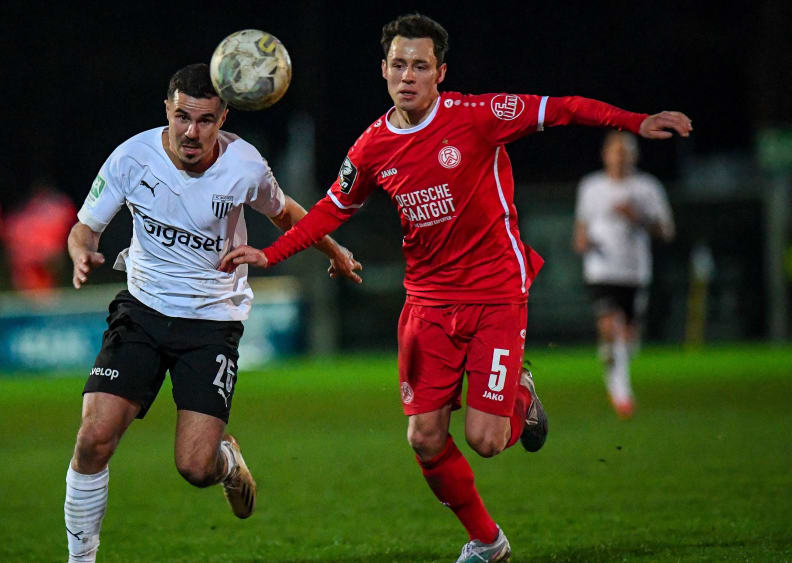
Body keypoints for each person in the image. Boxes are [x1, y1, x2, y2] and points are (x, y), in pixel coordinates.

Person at [220, 13, 691, 563]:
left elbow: (562, 108)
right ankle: (488, 541)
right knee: (423, 437)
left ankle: (519, 393)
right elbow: (331, 208)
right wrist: (269, 253)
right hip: (427, 302)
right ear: (383, 69)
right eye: (399, 64)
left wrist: (635, 121)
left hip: (495, 291)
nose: (408, 75)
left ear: (440, 72)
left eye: (420, 65)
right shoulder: (373, 146)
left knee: (487, 440)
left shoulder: (479, 116)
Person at [62, 63, 362, 563]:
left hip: (211, 323)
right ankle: (81, 559)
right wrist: (80, 251)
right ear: (167, 110)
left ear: (222, 117)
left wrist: (333, 251)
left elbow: (284, 210)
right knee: (93, 437)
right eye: (182, 117)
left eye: (204, 120)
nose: (191, 132)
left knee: (195, 468)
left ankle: (226, 459)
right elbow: (84, 229)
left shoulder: (244, 165)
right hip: (141, 310)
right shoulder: (131, 158)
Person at [573, 131, 675, 419]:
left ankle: (615, 359)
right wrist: (581, 242)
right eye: (614, 151)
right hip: (601, 270)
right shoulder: (591, 186)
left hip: (634, 271)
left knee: (628, 338)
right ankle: (621, 393)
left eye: (624, 152)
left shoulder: (647, 188)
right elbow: (581, 226)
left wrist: (637, 217)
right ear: (605, 155)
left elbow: (666, 231)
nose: (619, 157)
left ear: (634, 156)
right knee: (610, 325)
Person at [3, 179, 77, 299]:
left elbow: (55, 258)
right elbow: (12, 255)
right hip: (27, 291)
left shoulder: (59, 211)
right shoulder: (17, 224)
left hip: (47, 290)